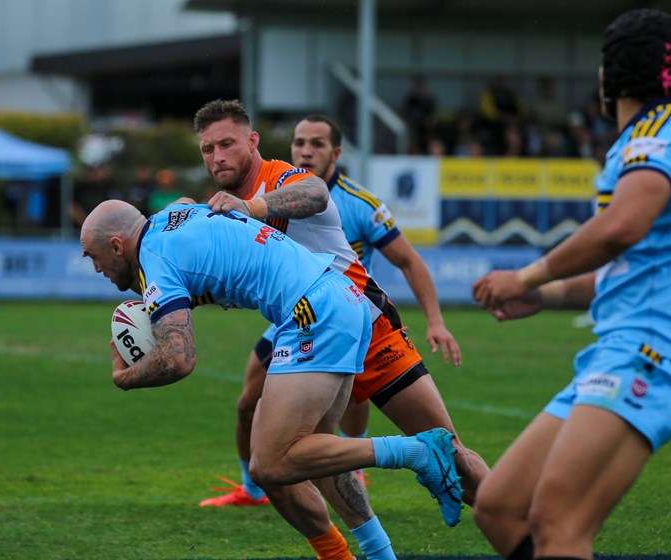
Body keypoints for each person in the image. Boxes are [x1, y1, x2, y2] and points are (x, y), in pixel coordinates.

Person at [82, 199, 462, 560]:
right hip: (340, 295)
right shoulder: (170, 219)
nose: (97, 269)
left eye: (94, 257)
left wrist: (126, 377)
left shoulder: (155, 259)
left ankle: (416, 451)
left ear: (117, 246)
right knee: (316, 455)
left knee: (271, 465)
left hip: (312, 311)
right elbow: (183, 203)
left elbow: (178, 359)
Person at [191, 99, 465, 557]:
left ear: (253, 141)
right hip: (302, 327)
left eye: (226, 144)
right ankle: (370, 549)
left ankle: (517, 525)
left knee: (454, 458)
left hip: (364, 323)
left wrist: (436, 320)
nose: (217, 156)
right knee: (286, 451)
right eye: (207, 149)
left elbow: (318, 197)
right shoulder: (226, 208)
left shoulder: (291, 183)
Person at [471, 9, 671, 560]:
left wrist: (526, 274)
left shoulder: (656, 132)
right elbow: (627, 264)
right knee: (500, 507)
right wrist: (546, 294)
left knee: (557, 520)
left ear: (612, 74)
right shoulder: (638, 139)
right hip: (617, 347)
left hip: (648, 348)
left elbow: (620, 229)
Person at [291, 113, 486, 490]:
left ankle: (356, 467)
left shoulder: (359, 204)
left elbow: (409, 261)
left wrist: (436, 321)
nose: (306, 151)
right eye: (299, 143)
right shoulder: (277, 196)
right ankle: (255, 489)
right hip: (299, 321)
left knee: (353, 401)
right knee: (253, 402)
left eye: (317, 143)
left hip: (355, 319)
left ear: (336, 153)